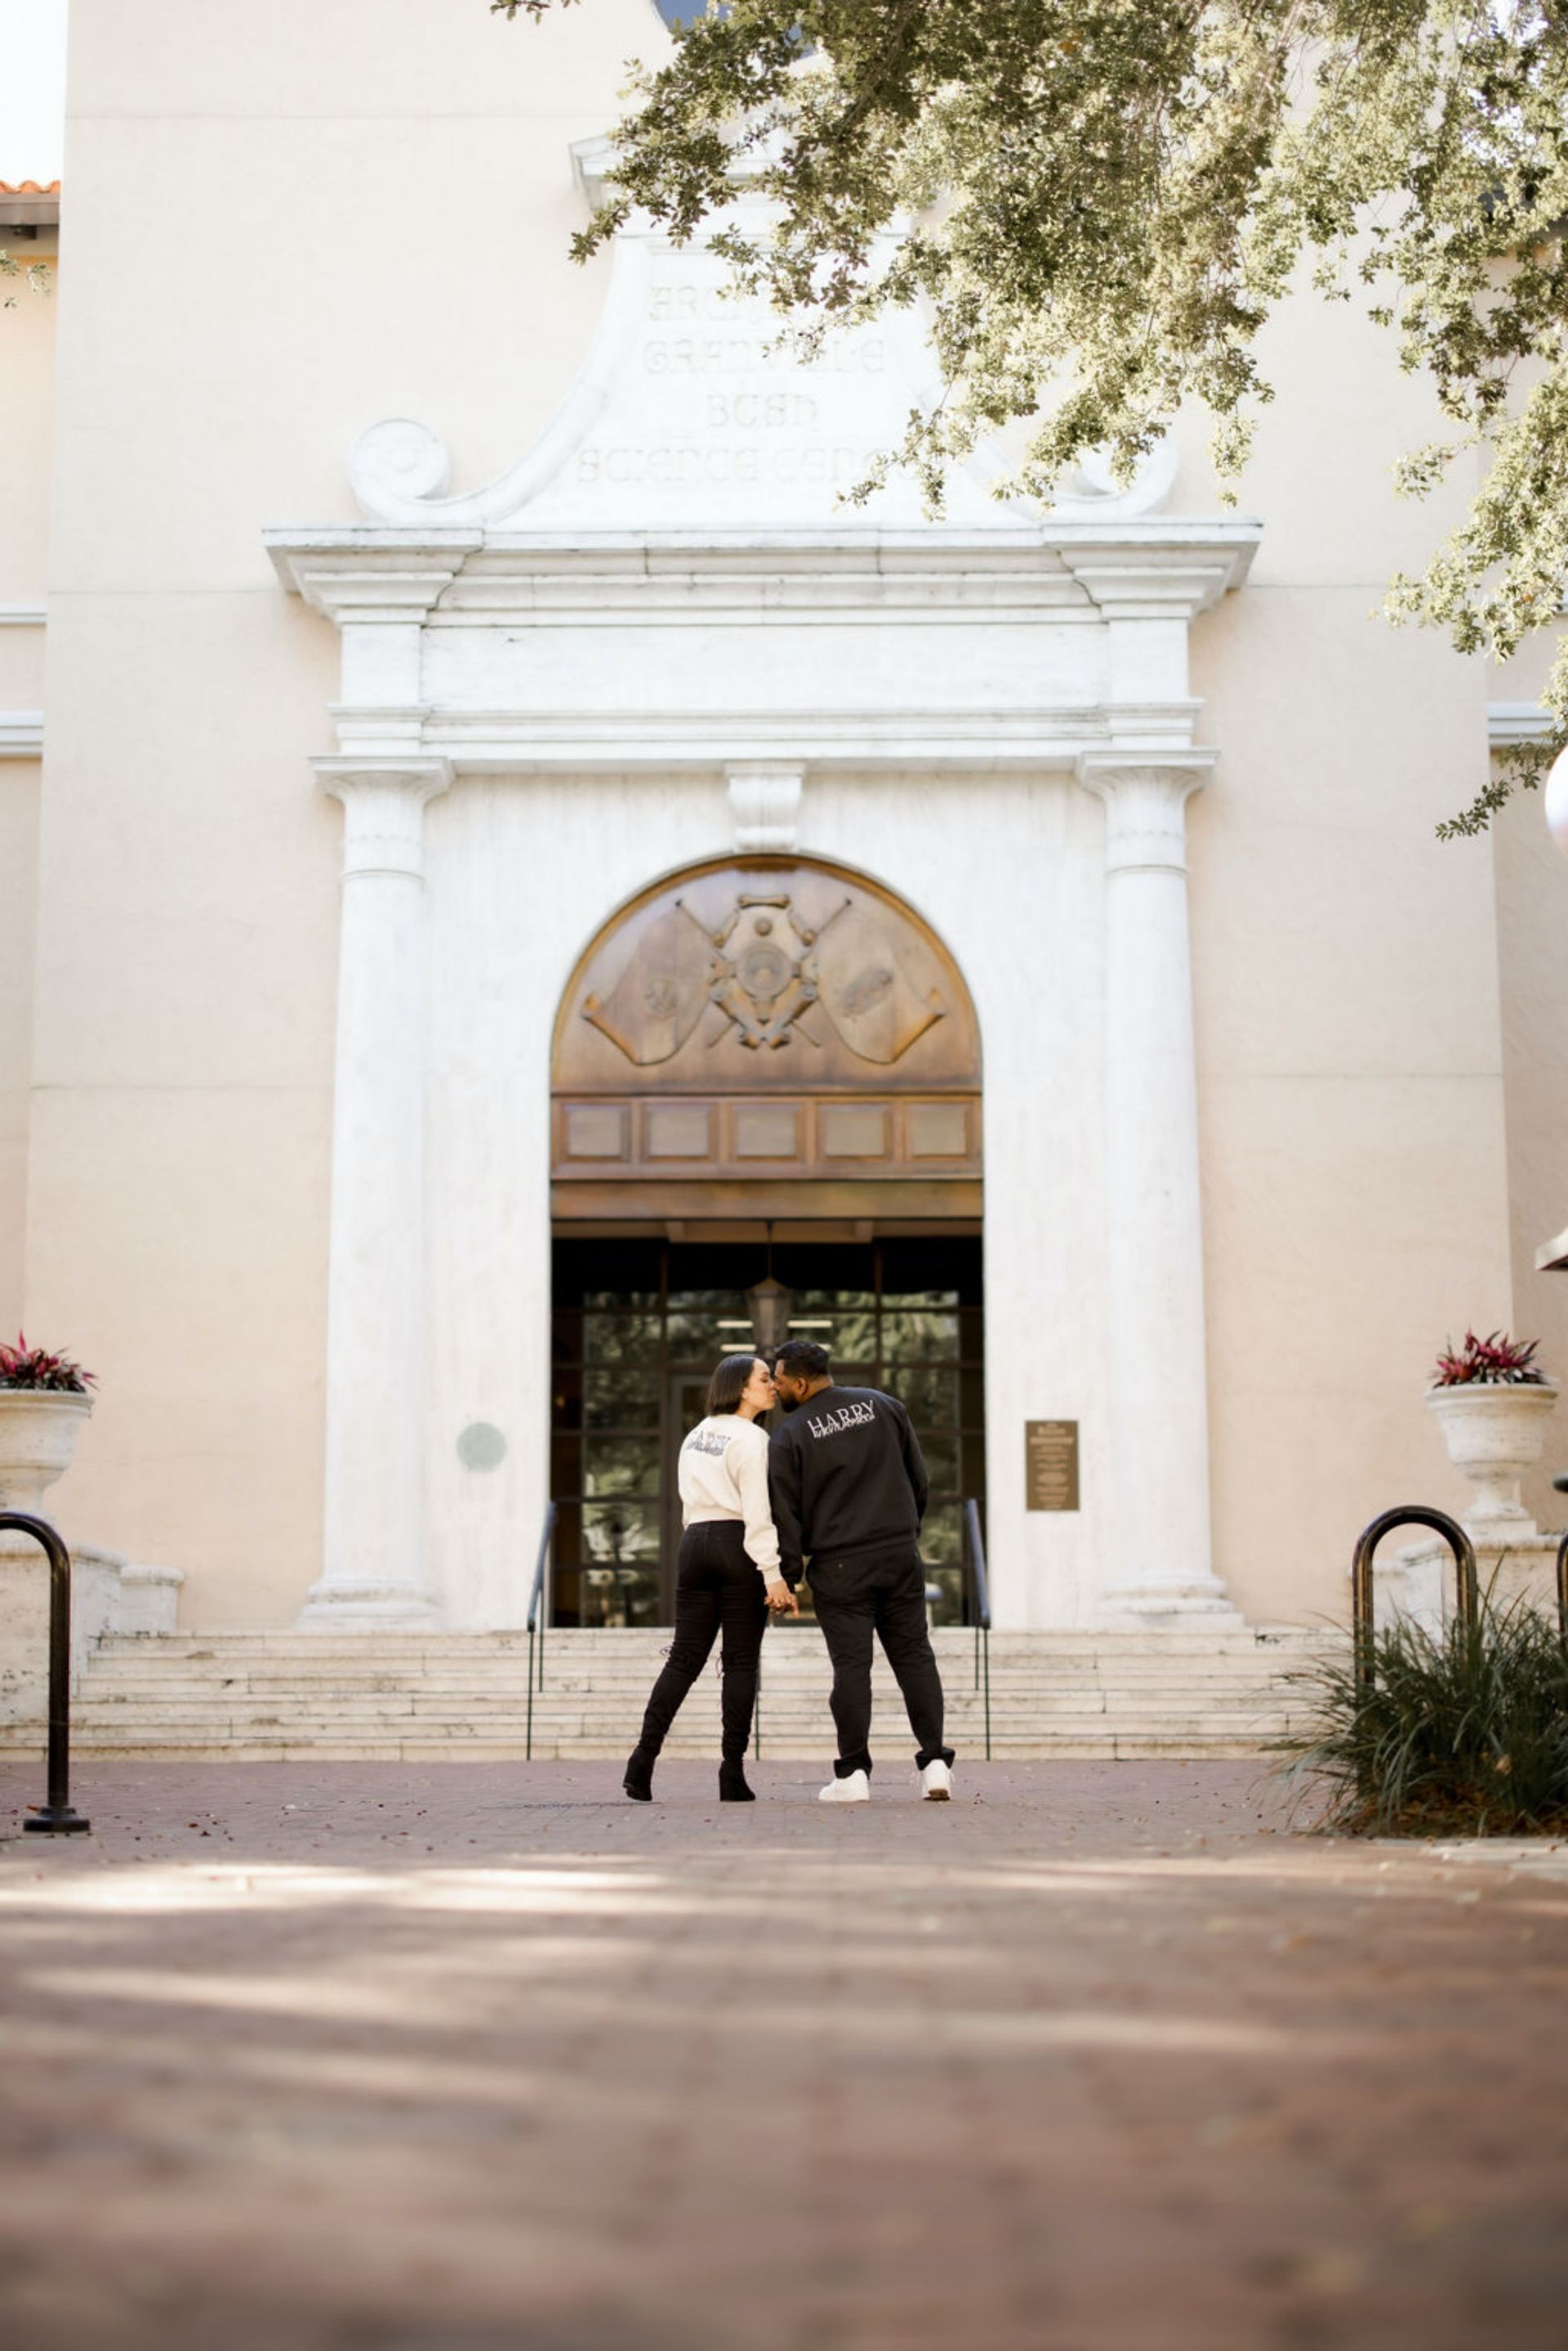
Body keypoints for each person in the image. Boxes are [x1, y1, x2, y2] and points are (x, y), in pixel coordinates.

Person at [768, 1339, 955, 1805]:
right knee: (914, 1656)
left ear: (802, 1382)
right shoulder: (885, 1406)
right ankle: (935, 1764)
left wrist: (789, 1574)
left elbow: (785, 1514)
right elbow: (920, 1480)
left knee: (852, 1667)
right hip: (898, 1554)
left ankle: (853, 1774)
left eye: (780, 1379)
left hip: (840, 1563)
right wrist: (904, 1529)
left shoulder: (791, 1435)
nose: (775, 1387)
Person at [623, 1354, 799, 1804]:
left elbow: (690, 1500)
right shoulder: (754, 1439)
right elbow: (758, 1514)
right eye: (764, 1379)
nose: (772, 1386)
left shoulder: (695, 1435)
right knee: (740, 1662)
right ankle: (732, 1773)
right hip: (737, 1543)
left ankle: (642, 1760)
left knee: (683, 1659)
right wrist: (773, 1575)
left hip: (694, 1543)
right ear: (741, 1387)